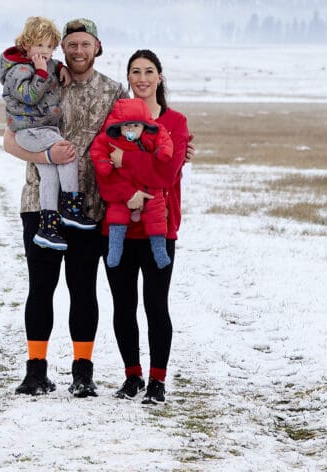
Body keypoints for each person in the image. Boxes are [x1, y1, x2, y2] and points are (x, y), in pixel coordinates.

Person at [3, 17, 124, 398]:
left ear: (97, 47)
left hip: (89, 208)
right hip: (39, 203)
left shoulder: (113, 92)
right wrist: (45, 152)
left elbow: (136, 134)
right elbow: (10, 141)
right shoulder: (39, 81)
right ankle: (35, 371)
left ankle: (82, 372)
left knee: (83, 288)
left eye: (85, 44)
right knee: (41, 287)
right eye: (71, 44)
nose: (78, 51)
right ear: (62, 48)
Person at [97, 49, 192, 404]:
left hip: (160, 228)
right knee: (123, 305)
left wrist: (126, 159)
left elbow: (166, 174)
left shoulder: (176, 123)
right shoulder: (115, 121)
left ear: (160, 77)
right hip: (118, 229)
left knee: (156, 305)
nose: (142, 78)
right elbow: (104, 170)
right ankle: (132, 376)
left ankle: (158, 380)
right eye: (135, 72)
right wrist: (135, 177)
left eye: (149, 71)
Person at [0, 16, 94, 249]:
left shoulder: (44, 62)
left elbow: (51, 64)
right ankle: (71, 208)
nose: (45, 52)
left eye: (50, 46)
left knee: (49, 176)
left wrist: (59, 67)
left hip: (40, 128)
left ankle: (48, 227)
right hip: (30, 129)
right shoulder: (18, 70)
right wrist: (41, 73)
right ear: (26, 44)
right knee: (67, 153)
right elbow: (29, 95)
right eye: (40, 46)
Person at [90, 96, 174, 269]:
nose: (131, 129)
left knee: (156, 213)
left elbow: (165, 140)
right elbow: (98, 150)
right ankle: (115, 249)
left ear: (144, 125)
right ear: (118, 126)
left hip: (149, 188)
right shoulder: (110, 139)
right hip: (123, 188)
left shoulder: (152, 134)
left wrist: (163, 151)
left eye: (136, 125)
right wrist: (104, 163)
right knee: (117, 214)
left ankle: (159, 249)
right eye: (127, 125)